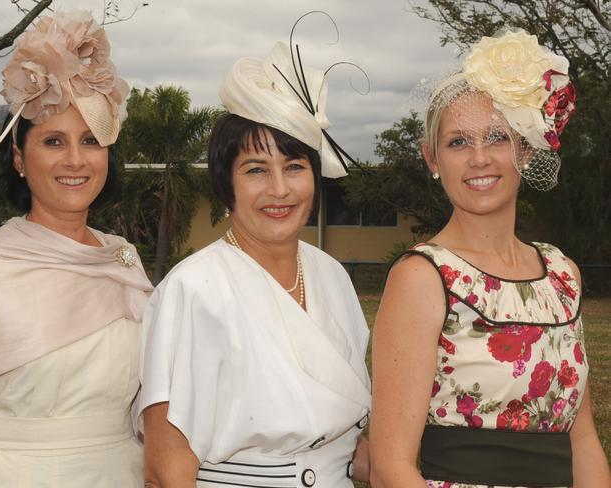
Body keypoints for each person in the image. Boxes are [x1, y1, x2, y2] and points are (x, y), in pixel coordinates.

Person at [370, 30, 611, 488]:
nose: (479, 159)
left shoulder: (563, 276)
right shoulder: (424, 277)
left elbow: (583, 443)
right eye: (458, 142)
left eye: (496, 138)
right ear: (432, 158)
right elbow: (390, 468)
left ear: (524, 148)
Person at [138, 27, 372, 488]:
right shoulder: (193, 288)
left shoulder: (331, 276)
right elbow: (167, 463)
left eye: (295, 167)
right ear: (227, 183)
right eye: (256, 170)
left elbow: (346, 442)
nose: (280, 190)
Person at [0, 10, 153, 487]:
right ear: (21, 160)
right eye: (53, 141)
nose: (75, 160)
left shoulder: (123, 258)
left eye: (91, 140)